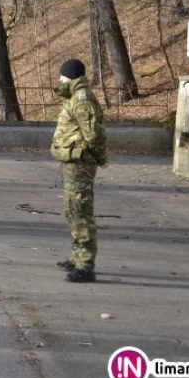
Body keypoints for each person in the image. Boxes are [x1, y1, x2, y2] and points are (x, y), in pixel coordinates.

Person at [51, 59, 107, 284]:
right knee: (72, 210)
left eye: (62, 77)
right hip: (73, 162)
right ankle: (76, 257)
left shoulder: (82, 99)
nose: (59, 81)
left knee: (80, 211)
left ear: (70, 76)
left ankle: (85, 265)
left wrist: (101, 159)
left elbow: (93, 133)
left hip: (81, 163)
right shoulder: (74, 98)